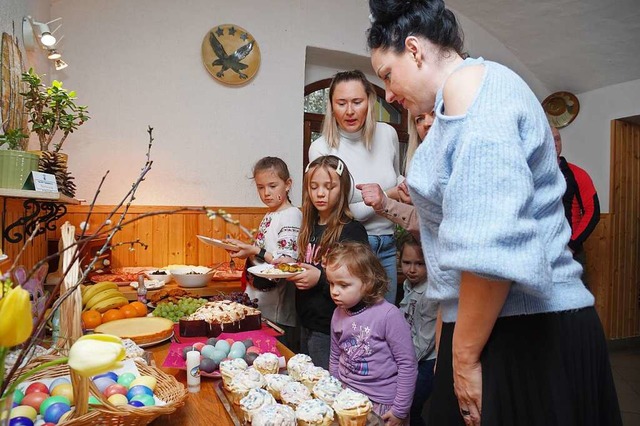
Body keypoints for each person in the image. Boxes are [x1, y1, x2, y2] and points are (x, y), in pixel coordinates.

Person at [367, 1, 621, 425]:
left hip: (528, 328)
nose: (389, 94)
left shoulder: (474, 89)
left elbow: (490, 247)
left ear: (414, 50)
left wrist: (463, 360)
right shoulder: (456, 103)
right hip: (486, 322)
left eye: (387, 76)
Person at [308, 70, 403, 304]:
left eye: (357, 102)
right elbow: (342, 213)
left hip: (389, 244)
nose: (349, 111)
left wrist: (405, 186)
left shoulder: (388, 134)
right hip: (349, 250)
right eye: (341, 103)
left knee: (384, 326)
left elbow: (397, 177)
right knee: (356, 329)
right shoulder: (321, 149)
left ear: (370, 101)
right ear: (331, 106)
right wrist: (388, 195)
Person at [288, 155, 368, 369]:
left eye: (329, 187)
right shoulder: (309, 227)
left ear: (342, 189)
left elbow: (357, 283)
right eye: (314, 187)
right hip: (305, 322)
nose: (320, 193)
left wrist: (320, 278)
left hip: (332, 328)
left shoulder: (352, 230)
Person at [326, 241, 417, 425]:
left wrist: (399, 411)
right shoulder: (338, 312)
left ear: (367, 283)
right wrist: (334, 390)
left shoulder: (388, 315)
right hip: (346, 396)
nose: (335, 292)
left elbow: (407, 364)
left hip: (381, 403)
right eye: (331, 284)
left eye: (343, 285)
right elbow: (335, 356)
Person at [226, 157, 302, 351]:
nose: (266, 193)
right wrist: (244, 250)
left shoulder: (291, 214)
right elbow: (263, 254)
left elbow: (286, 264)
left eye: (272, 186)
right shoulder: (271, 214)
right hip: (260, 303)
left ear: (288, 184)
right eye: (260, 187)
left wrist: (254, 250)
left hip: (278, 310)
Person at [358, 111, 434, 240]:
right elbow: (426, 232)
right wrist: (415, 203)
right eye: (419, 119)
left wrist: (386, 199)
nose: (427, 123)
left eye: (435, 114)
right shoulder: (421, 168)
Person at [397, 234, 438, 426]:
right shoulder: (408, 285)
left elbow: (425, 341)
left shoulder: (430, 294)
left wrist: (401, 362)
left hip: (424, 362)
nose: (412, 269)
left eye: (419, 264)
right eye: (406, 262)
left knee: (411, 409)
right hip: (409, 356)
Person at [553, 126, 601, 288]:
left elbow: (593, 211)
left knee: (577, 309)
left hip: (570, 253)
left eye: (557, 139)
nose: (554, 143)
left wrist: (572, 245)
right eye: (550, 139)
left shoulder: (577, 174)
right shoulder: (530, 174)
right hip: (540, 254)